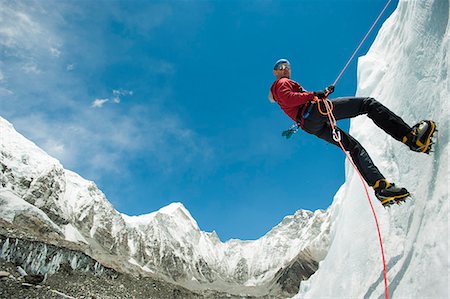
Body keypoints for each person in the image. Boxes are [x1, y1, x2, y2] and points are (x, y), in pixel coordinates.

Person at [269, 58, 437, 207]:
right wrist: (314, 95)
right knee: (368, 104)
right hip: (315, 112)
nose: (286, 69)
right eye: (281, 67)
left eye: (288, 66)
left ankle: (381, 187)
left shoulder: (280, 89)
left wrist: (322, 94)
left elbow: (291, 101)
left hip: (311, 124)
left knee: (353, 147)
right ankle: (412, 139)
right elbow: (288, 98)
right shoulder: (281, 83)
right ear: (275, 72)